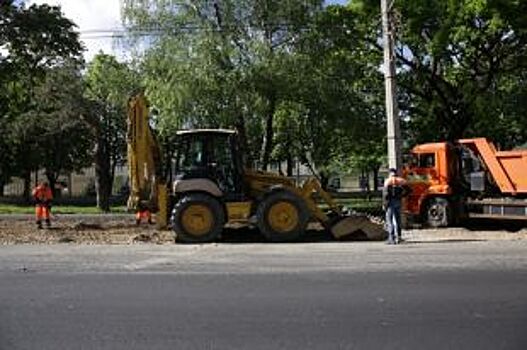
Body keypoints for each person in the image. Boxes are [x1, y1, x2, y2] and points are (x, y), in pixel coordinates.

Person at [383, 168, 410, 244]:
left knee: (390, 220)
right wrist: (402, 196)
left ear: (389, 174)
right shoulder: (400, 181)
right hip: (398, 201)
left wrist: (385, 204)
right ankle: (399, 237)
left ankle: (391, 238)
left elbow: (385, 194)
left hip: (390, 202)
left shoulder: (388, 181)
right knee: (398, 220)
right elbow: (409, 190)